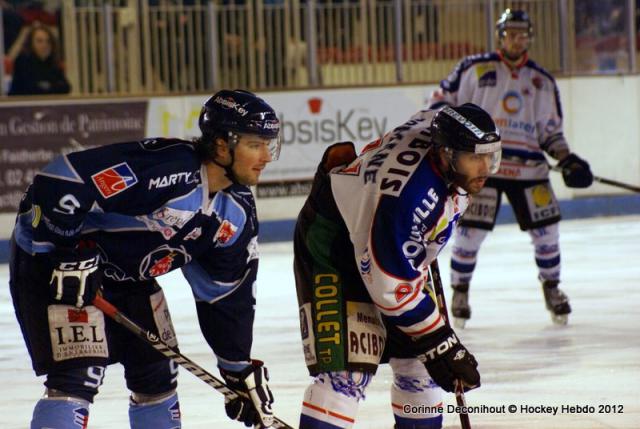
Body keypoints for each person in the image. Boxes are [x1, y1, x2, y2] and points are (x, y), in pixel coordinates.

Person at [9, 89, 281, 429]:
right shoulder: (165, 171)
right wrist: (65, 251)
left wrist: (237, 368)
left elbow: (225, 296)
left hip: (127, 277)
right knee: (78, 374)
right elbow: (60, 181)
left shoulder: (236, 214)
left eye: (269, 144)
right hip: (55, 263)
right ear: (223, 145)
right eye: (256, 144)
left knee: (157, 370)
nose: (266, 156)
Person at [294, 103, 501, 428]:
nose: (485, 166)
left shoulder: (442, 143)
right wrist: (442, 341)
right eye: (474, 157)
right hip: (335, 245)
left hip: (389, 237)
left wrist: (435, 345)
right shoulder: (409, 197)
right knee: (345, 378)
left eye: (490, 156)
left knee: (422, 368)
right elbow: (391, 283)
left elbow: (436, 111)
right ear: (446, 154)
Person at [427, 9, 594, 327]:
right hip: (481, 167)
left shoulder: (542, 80)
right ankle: (460, 292)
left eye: (522, 33)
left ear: (530, 36)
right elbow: (441, 103)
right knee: (469, 232)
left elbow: (551, 133)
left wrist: (567, 158)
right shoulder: (474, 68)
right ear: (500, 35)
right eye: (510, 33)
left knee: (547, 233)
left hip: (530, 169)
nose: (517, 39)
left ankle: (552, 288)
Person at [8, 24, 70, 95]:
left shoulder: (53, 63)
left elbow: (66, 87)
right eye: (39, 41)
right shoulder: (22, 61)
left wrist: (47, 86)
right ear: (31, 43)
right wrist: (51, 86)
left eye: (48, 41)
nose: (44, 45)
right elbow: (30, 89)